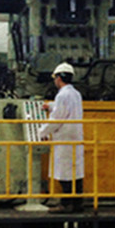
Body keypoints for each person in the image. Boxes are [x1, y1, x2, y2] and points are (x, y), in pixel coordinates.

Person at [39, 62, 85, 214]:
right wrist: (51, 106)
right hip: (76, 138)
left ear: (59, 78)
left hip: (64, 139)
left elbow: (57, 118)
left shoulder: (62, 95)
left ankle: (66, 204)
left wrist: (42, 132)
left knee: (64, 173)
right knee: (76, 173)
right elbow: (66, 108)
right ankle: (78, 203)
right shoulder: (76, 94)